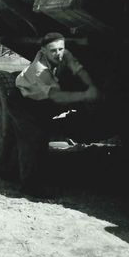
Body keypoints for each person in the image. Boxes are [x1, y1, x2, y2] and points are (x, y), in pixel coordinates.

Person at [11, 32, 101, 197]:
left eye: (60, 49)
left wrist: (91, 86)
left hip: (43, 101)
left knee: (43, 136)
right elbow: (56, 96)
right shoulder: (39, 70)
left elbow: (79, 70)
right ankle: (29, 187)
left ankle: (43, 179)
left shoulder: (63, 53)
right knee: (33, 140)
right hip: (23, 102)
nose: (58, 53)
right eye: (53, 51)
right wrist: (87, 95)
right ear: (43, 51)